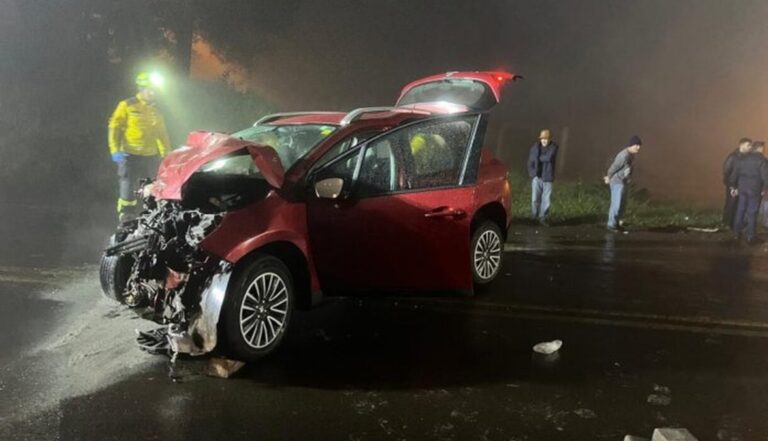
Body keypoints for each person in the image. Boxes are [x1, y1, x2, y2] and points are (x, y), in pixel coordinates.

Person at [108, 72, 170, 219]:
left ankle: (152, 213)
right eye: (150, 89)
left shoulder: (156, 111)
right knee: (127, 184)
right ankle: (126, 215)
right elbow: (114, 127)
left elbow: (162, 134)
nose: (153, 93)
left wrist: (166, 153)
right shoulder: (127, 105)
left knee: (152, 185)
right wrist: (114, 149)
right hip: (129, 153)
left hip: (150, 155)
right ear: (142, 88)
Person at [728, 142, 768, 243]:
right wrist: (764, 189)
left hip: (742, 188)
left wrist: (733, 187)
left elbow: (734, 174)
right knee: (752, 211)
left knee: (740, 210)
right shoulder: (762, 160)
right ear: (759, 148)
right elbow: (765, 177)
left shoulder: (742, 159)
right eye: (763, 148)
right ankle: (751, 236)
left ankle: (736, 233)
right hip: (755, 189)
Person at [603, 136, 642, 231]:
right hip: (617, 182)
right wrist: (608, 176)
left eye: (639, 145)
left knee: (622, 204)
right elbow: (614, 167)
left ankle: (617, 223)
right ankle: (611, 225)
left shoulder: (631, 155)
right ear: (631, 145)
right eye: (636, 145)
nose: (638, 147)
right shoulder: (623, 156)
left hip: (624, 182)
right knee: (616, 204)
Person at [527, 129, 559, 225]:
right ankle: (534, 217)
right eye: (543, 138)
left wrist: (537, 158)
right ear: (540, 139)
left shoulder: (553, 147)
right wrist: (532, 174)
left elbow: (549, 158)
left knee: (546, 200)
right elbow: (530, 162)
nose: (544, 140)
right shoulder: (534, 148)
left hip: (548, 178)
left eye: (546, 138)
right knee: (534, 199)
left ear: (549, 139)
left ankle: (543, 218)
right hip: (537, 177)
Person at [722, 138, 752, 229]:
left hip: (742, 184)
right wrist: (731, 186)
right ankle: (728, 223)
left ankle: (737, 223)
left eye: (750, 146)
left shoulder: (747, 157)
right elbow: (726, 171)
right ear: (741, 145)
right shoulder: (733, 157)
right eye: (748, 145)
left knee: (740, 204)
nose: (750, 147)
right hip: (733, 185)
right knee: (731, 203)